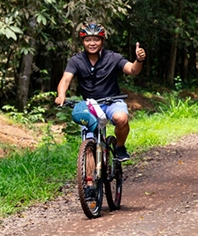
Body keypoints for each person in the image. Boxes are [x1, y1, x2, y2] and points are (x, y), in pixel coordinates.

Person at [54, 22, 147, 161]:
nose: (92, 43)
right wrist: (61, 95)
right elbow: (66, 79)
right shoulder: (76, 60)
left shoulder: (113, 57)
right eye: (88, 40)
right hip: (90, 105)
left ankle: (120, 147)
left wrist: (139, 60)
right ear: (83, 42)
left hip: (112, 101)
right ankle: (90, 181)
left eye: (96, 39)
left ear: (102, 41)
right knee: (89, 144)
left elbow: (132, 70)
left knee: (121, 118)